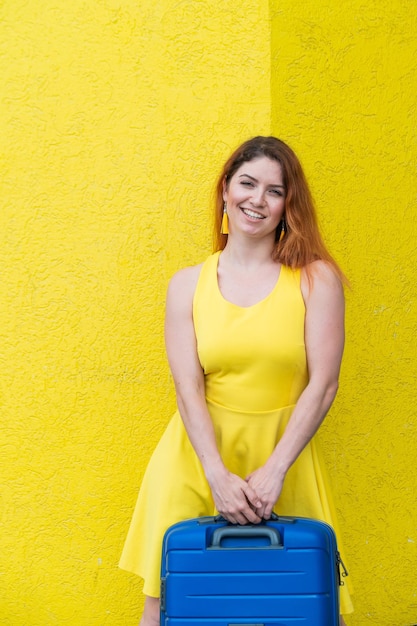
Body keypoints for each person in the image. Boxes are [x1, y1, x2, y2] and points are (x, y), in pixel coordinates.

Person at [119, 136, 354, 625]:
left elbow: (324, 385)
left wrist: (273, 472)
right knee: (167, 605)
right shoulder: (187, 285)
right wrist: (216, 475)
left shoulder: (316, 280)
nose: (257, 200)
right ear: (226, 189)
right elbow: (187, 387)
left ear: (289, 204)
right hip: (197, 458)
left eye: (274, 190)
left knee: (295, 601)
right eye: (247, 184)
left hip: (283, 459)